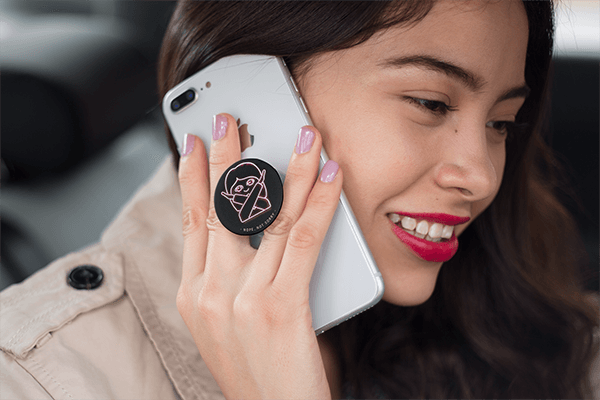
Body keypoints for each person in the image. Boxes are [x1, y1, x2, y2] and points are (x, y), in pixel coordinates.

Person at [1, 1, 598, 399]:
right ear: (242, 99)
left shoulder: (524, 324)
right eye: (432, 104)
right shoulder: (37, 378)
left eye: (502, 124)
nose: (480, 176)